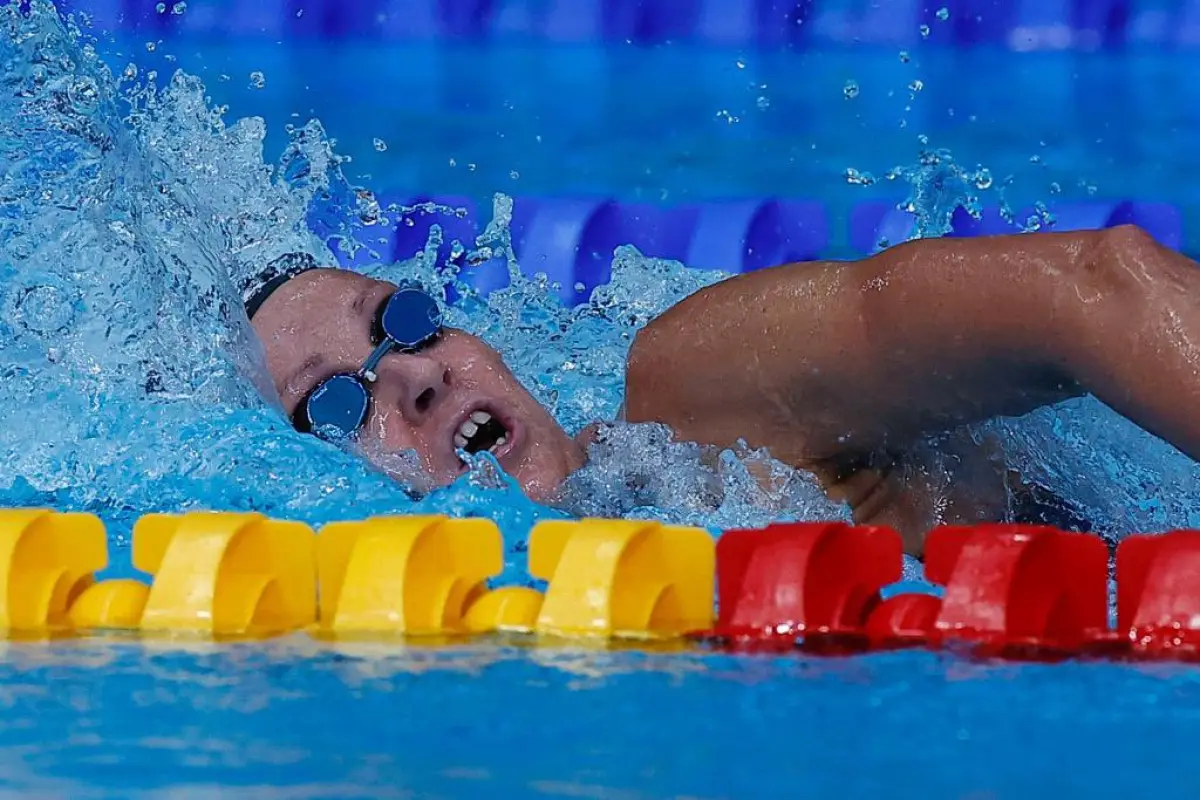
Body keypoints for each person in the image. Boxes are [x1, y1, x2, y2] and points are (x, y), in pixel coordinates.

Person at [245, 225, 1200, 556]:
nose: (410, 376)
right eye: (334, 405)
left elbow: (1098, 288)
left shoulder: (704, 397)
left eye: (402, 320)